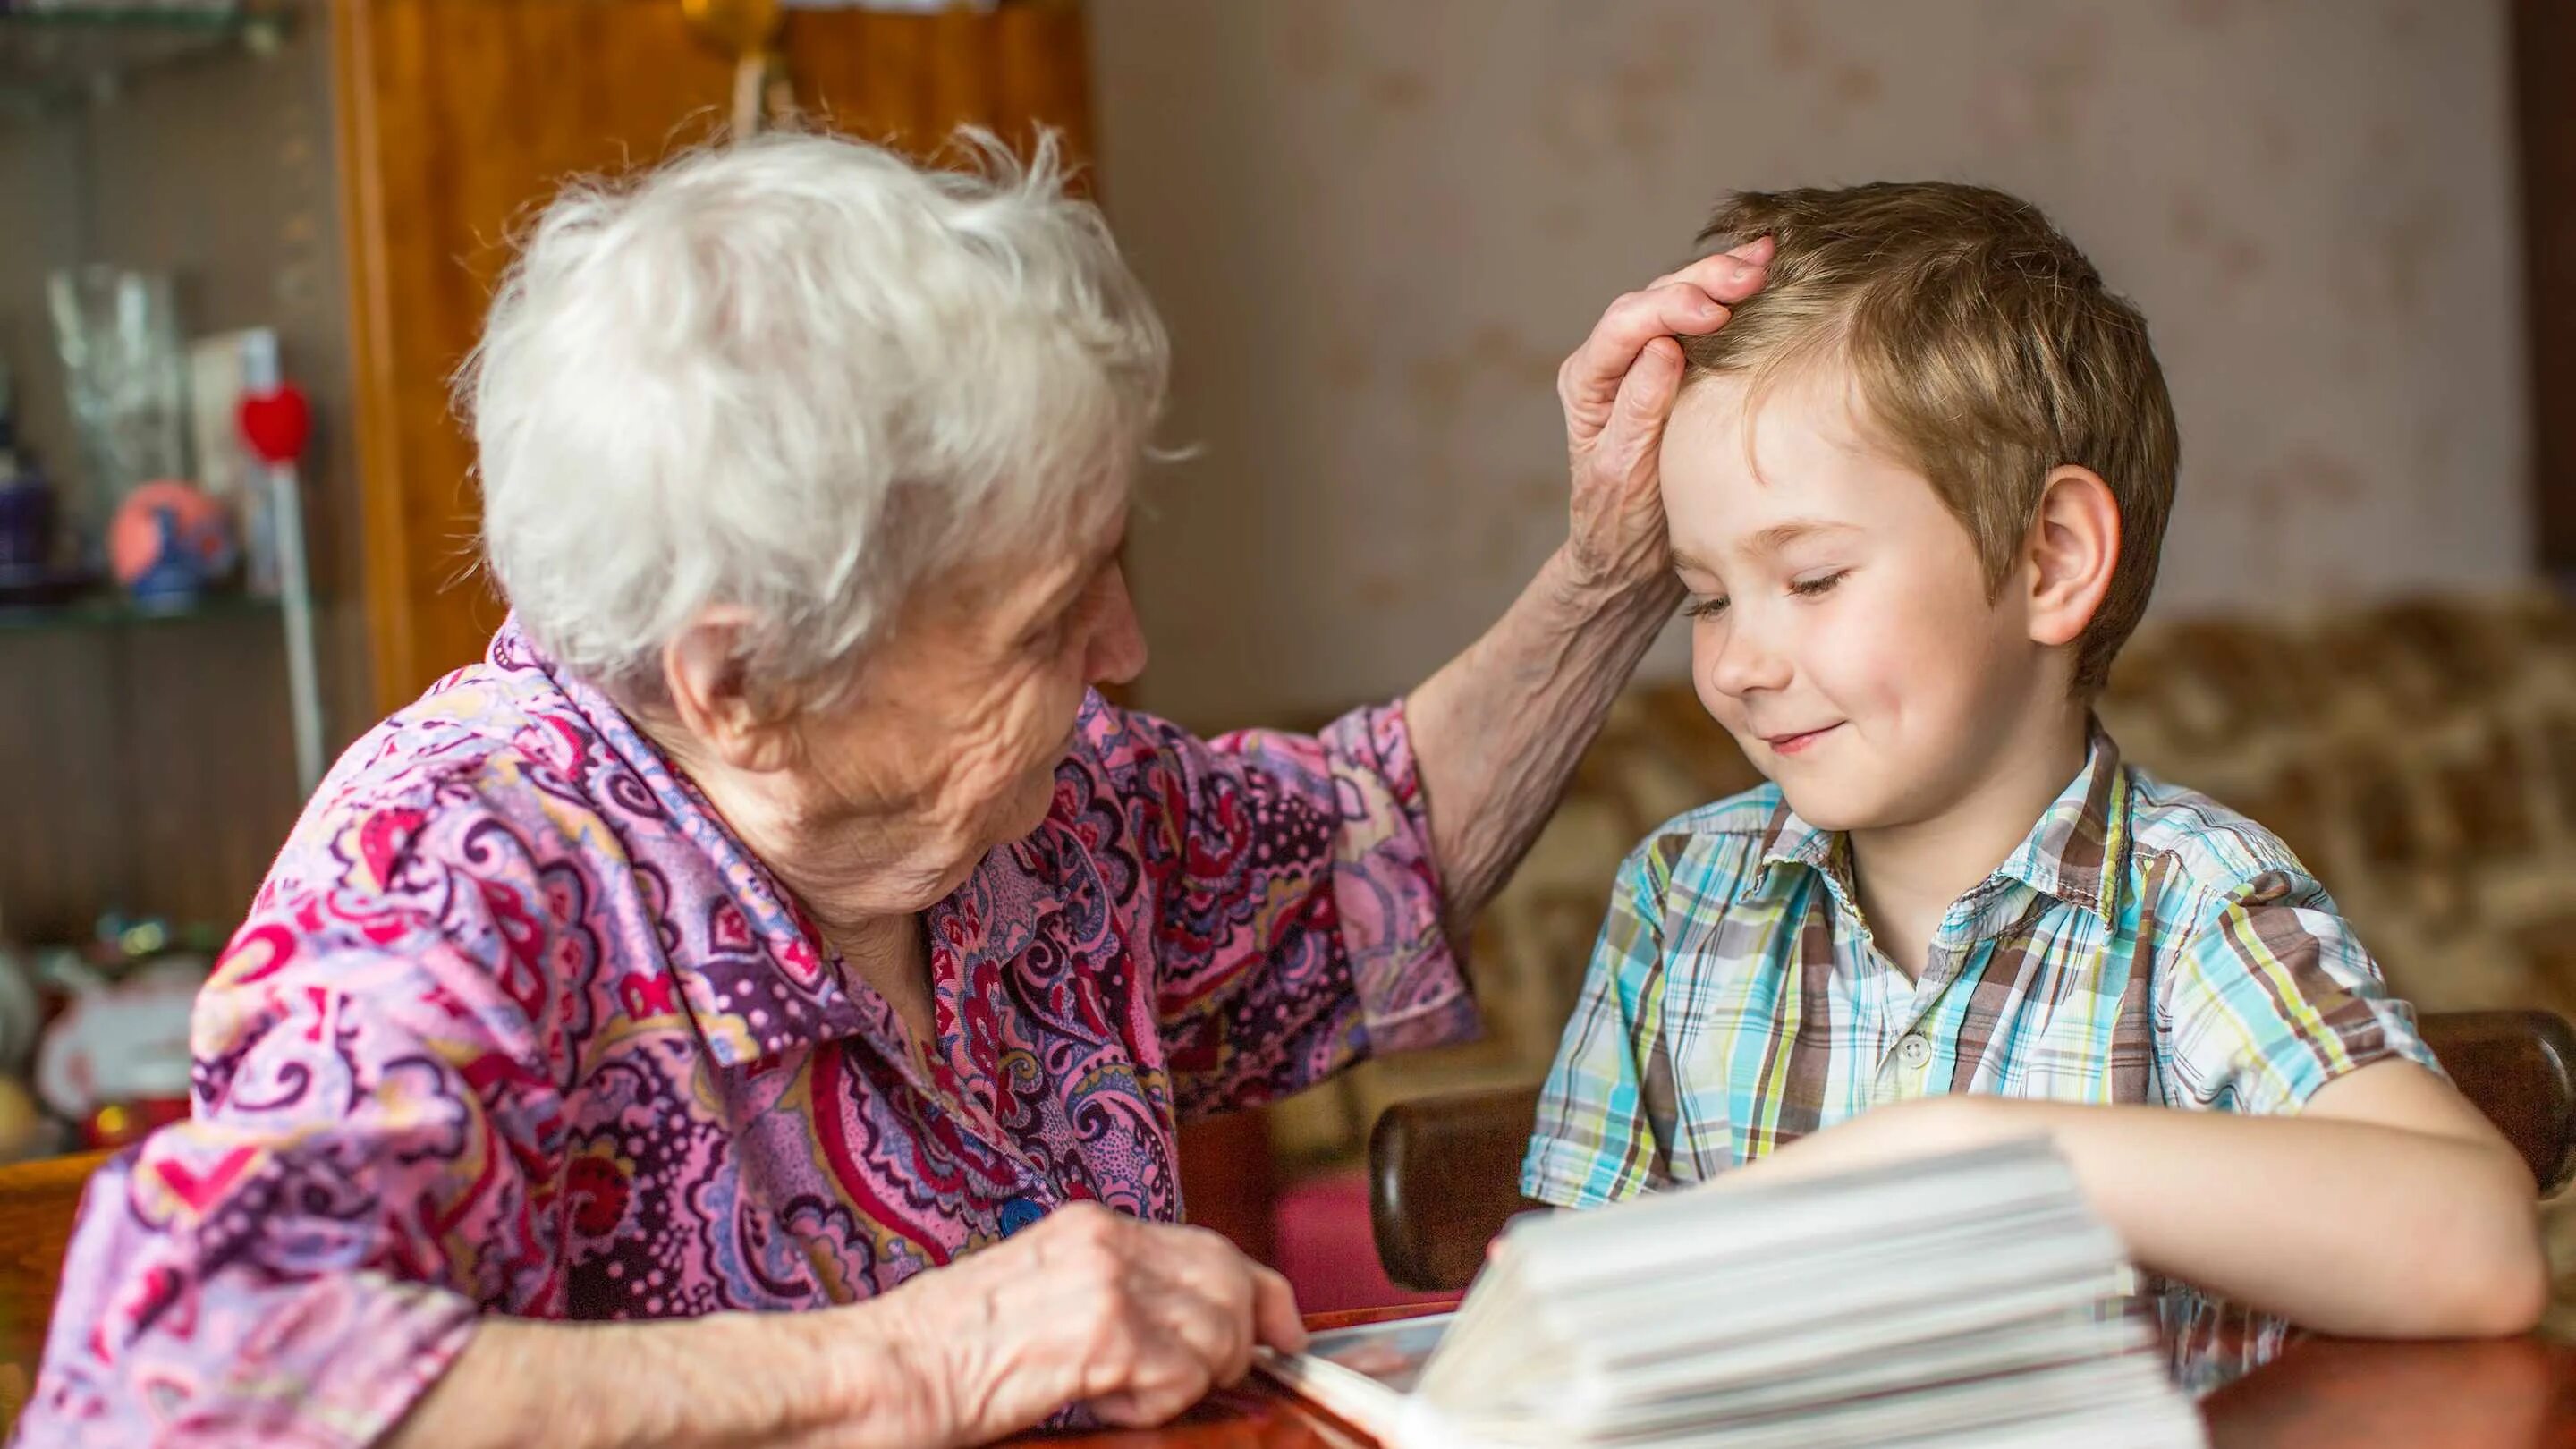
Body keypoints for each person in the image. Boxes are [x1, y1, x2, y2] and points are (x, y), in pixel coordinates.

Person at [15, 132, 1775, 1449]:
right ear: (743, 683)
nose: (1125, 641)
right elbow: (183, 1380)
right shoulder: (455, 862)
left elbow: (1363, 851)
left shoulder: (1046, 810)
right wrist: (929, 1354)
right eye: (1043, 615)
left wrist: (1617, 568)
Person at [1521, 182, 2547, 1382]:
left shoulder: (2191, 911)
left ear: (2051, 560)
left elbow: (2478, 1247)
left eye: (1809, 579)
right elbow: (1559, 1330)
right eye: (1705, 598)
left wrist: (1973, 1147)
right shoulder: (1680, 898)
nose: (1740, 664)